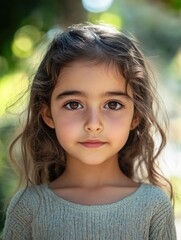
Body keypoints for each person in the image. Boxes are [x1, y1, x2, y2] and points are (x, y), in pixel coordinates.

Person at [3, 23, 176, 240]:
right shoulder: (28, 208)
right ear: (48, 114)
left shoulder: (153, 206)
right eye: (74, 104)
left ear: (135, 116)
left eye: (112, 104)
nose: (93, 124)